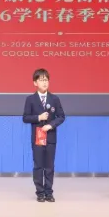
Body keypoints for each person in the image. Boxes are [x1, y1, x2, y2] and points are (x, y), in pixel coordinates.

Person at [22, 68, 65, 202]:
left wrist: (51, 125)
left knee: (49, 166)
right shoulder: (30, 99)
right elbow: (25, 118)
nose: (44, 82)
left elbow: (61, 116)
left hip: (50, 137)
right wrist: (38, 117)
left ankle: (49, 192)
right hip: (37, 138)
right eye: (41, 80)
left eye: (46, 80)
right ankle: (40, 193)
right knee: (38, 166)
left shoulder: (54, 99)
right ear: (35, 83)